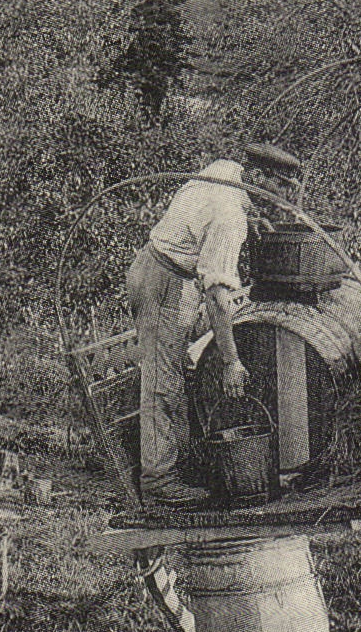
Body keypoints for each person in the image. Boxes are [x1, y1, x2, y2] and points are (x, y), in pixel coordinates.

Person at [126, 141, 303, 507]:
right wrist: (231, 361)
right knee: (163, 383)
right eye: (280, 185)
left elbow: (197, 211)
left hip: (159, 269)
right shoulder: (228, 218)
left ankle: (181, 462)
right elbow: (217, 298)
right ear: (256, 176)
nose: (283, 194)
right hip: (163, 282)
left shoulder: (226, 170)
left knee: (172, 372)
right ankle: (158, 480)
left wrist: (253, 219)